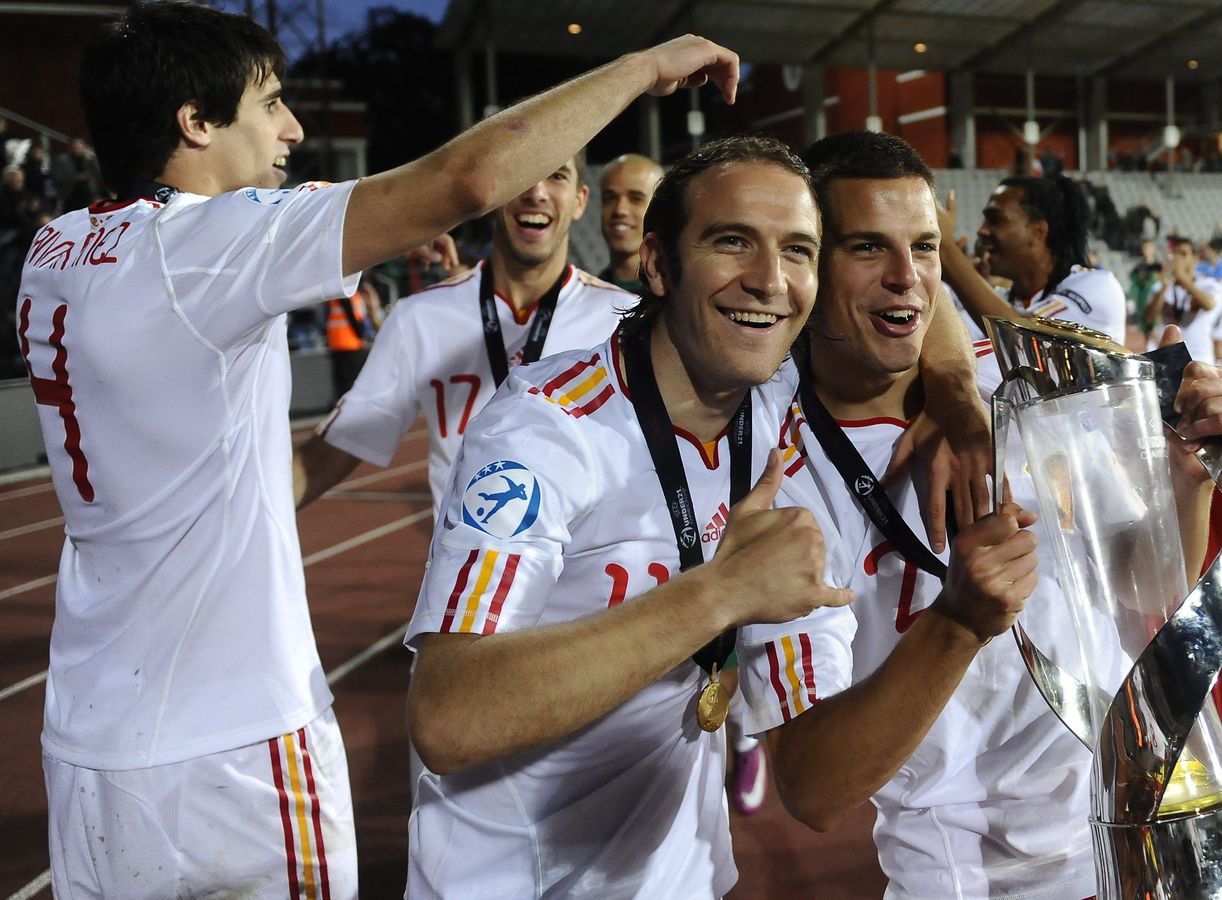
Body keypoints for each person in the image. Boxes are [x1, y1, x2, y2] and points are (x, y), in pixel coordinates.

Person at [14, 0, 743, 893]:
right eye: (268, 102)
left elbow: (243, 472)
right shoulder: (209, 244)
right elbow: (467, 179)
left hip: (89, 731)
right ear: (195, 123)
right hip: (231, 734)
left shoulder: (57, 248)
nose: (292, 127)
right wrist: (641, 68)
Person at [401, 135, 988, 898]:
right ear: (658, 263)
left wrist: (956, 391)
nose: (769, 281)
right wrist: (720, 593)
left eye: (798, 251)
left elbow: (910, 290)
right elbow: (449, 717)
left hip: (686, 877)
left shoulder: (775, 386)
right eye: (732, 241)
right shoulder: (548, 431)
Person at [735, 130, 1222, 898]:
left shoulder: (1029, 388)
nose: (908, 278)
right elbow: (813, 789)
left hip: (1132, 833)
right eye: (867, 248)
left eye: (924, 246)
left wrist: (1189, 481)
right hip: (963, 873)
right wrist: (956, 624)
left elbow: (1146, 601)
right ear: (808, 264)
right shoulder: (774, 471)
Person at [297, 155, 632, 515]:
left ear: (580, 200)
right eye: (522, 172)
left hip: (579, 569)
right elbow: (333, 451)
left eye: (556, 176)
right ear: (494, 192)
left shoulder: (623, 319)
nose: (536, 191)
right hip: (467, 570)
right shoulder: (422, 317)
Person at [939, 174, 1127, 342]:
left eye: (995, 220)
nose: (982, 230)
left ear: (1037, 232)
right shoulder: (1002, 300)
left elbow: (1026, 342)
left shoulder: (1097, 287)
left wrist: (949, 253)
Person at [597, 152, 664, 294]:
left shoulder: (680, 299)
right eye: (610, 198)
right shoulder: (586, 299)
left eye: (636, 198)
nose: (620, 210)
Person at [1148, 236, 1222, 363]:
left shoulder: (1208, 284)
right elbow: (1149, 317)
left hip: (1199, 358)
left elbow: (1209, 304)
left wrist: (1182, 278)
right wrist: (1165, 286)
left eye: (1183, 254)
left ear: (1196, 258)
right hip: (1168, 358)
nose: (1177, 258)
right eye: (1175, 253)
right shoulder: (1161, 286)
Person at [1127, 238, 1164, 349]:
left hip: (1156, 300)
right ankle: (1149, 347)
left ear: (1153, 248)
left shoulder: (1159, 266)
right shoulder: (1139, 268)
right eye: (1144, 247)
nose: (1146, 250)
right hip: (1142, 302)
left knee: (1156, 327)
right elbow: (1135, 284)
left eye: (1148, 247)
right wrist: (1131, 299)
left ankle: (1157, 347)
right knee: (1145, 328)